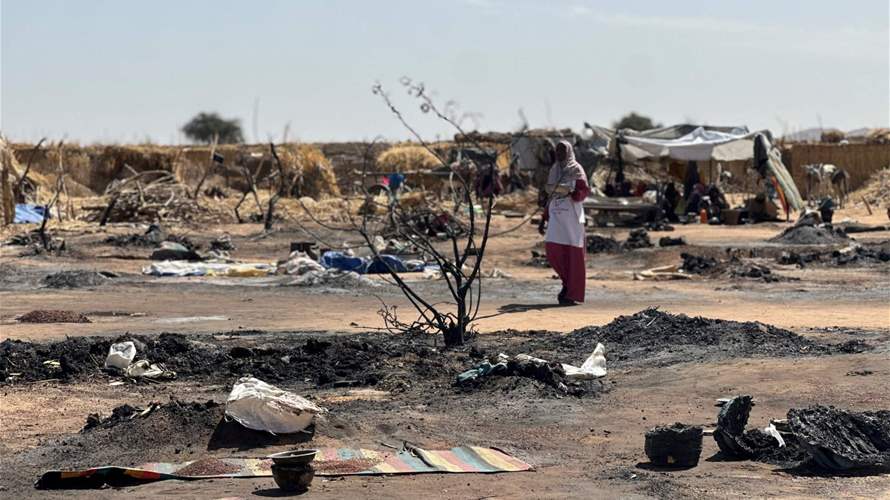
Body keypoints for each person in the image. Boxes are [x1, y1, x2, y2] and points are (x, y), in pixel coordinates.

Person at [539, 141, 590, 305]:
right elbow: (550, 195)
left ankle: (571, 291)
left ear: (568, 152)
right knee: (553, 250)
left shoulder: (576, 169)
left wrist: (574, 193)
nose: (559, 153)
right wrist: (543, 217)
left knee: (573, 254)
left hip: (571, 217)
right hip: (556, 215)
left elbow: (583, 191)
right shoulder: (554, 170)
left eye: (562, 150)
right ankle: (566, 283)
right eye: (557, 150)